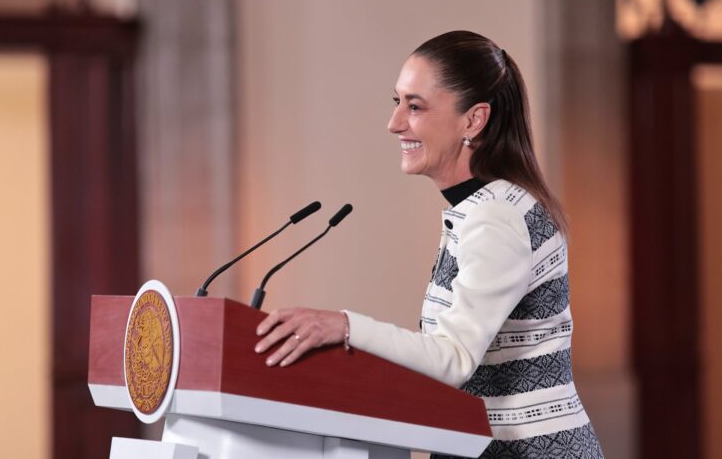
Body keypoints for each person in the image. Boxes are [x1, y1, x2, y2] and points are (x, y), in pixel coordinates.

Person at [254, 31, 604, 458]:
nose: (395, 122)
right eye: (397, 101)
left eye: (415, 106)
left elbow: (453, 358)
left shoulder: (497, 217)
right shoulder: (487, 207)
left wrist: (344, 327)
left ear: (473, 120)